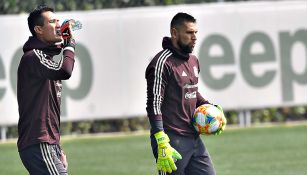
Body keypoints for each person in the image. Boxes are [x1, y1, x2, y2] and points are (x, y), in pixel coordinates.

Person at [146, 12, 225, 175]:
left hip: (193, 138)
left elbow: (191, 92)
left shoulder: (193, 60)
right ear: (175, 33)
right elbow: (154, 104)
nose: (194, 37)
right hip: (170, 141)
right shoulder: (162, 63)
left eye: (196, 32)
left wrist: (212, 109)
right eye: (189, 32)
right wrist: (161, 140)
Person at [17, 5, 76, 175]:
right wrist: (69, 45)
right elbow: (65, 71)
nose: (59, 25)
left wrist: (57, 148)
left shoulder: (42, 56)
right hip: (39, 143)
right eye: (52, 21)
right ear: (38, 30)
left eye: (58, 20)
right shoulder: (33, 56)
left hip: (47, 144)